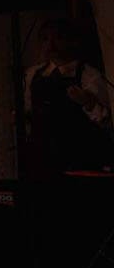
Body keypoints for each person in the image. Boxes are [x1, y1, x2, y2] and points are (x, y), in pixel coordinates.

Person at [21, 18, 112, 181]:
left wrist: (88, 103)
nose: (51, 45)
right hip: (41, 161)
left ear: (72, 42)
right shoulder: (32, 75)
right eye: (45, 39)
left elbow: (106, 122)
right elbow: (27, 113)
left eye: (58, 38)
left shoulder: (89, 76)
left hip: (78, 161)